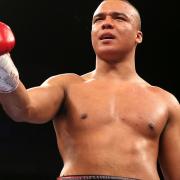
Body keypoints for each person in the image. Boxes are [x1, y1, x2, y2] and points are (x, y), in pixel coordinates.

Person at [0, 0, 180, 179]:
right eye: (98, 20)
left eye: (119, 18)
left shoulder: (165, 102)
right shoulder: (66, 86)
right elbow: (24, 108)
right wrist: (3, 65)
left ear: (138, 36)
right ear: (92, 33)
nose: (106, 23)